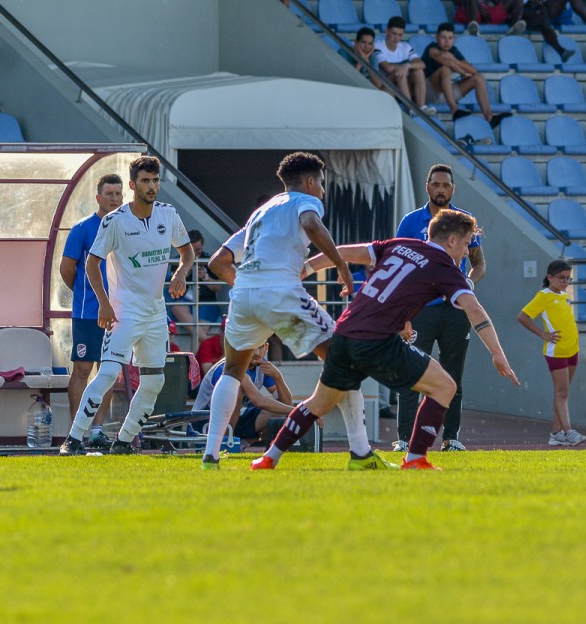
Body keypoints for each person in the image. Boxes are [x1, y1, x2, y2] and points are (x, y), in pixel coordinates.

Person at [252, 209, 520, 470]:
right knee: (444, 387)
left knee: (319, 403)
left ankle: (269, 458)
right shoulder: (446, 268)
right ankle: (415, 459)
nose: (464, 251)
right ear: (451, 240)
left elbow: (345, 252)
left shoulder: (401, 245)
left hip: (343, 334)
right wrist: (497, 353)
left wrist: (308, 267)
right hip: (377, 341)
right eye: (464, 243)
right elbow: (475, 310)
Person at [201, 153, 372, 470]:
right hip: (280, 291)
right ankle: (361, 454)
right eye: (321, 184)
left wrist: (247, 285)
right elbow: (311, 223)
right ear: (310, 182)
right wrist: (341, 265)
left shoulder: (261, 213)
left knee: (232, 372)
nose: (322, 191)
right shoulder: (305, 202)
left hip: (244, 296)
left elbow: (217, 263)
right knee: (343, 360)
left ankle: (210, 456)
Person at [60, 156, 193, 455]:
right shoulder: (115, 221)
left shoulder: (168, 215)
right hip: (124, 312)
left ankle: (123, 441)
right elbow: (92, 265)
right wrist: (105, 305)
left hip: (156, 312)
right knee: (106, 374)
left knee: (154, 380)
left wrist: (181, 272)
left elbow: (186, 253)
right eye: (145, 181)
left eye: (155, 180)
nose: (151, 186)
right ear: (133, 185)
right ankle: (73, 439)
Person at [391, 164, 486, 453]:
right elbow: (399, 262)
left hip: (455, 310)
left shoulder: (464, 221)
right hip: (421, 309)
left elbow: (479, 262)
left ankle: (451, 438)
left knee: (452, 375)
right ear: (427, 186)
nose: (441, 189)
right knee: (411, 372)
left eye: (446, 184)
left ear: (453, 189)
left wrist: (467, 282)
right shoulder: (410, 222)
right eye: (436, 184)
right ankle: (405, 440)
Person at [57, 174, 124, 452]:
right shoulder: (83, 228)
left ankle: (97, 430)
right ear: (98, 197)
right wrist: (87, 294)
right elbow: (66, 269)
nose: (114, 198)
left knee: (107, 370)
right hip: (88, 312)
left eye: (118, 194)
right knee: (83, 368)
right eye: (109, 194)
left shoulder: (126, 227)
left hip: (119, 313)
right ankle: (76, 431)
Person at [517, 259, 586, 446]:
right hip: (556, 351)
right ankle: (568, 431)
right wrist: (543, 334)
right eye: (561, 278)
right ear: (550, 277)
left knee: (562, 393)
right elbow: (522, 317)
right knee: (561, 392)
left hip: (572, 349)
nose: (565, 282)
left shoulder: (563, 295)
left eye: (568, 278)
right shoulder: (544, 295)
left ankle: (556, 434)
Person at [193, 343, 294, 446]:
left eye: (260, 347)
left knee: (278, 412)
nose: (256, 352)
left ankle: (243, 444)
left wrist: (278, 377)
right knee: (237, 390)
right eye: (251, 348)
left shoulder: (263, 366)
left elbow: (287, 403)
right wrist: (296, 411)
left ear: (266, 348)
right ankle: (226, 443)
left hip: (235, 417)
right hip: (205, 419)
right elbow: (258, 400)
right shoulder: (233, 366)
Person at [422, 22, 509, 128]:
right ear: (436, 38)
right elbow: (447, 63)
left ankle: (489, 117)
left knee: (478, 78)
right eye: (443, 38)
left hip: (446, 92)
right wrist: (462, 73)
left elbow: (473, 70)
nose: (447, 42)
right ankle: (454, 110)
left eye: (450, 38)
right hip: (428, 91)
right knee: (445, 69)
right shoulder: (432, 48)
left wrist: (456, 60)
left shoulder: (453, 51)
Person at [374, 16, 428, 110]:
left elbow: (422, 64)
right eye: (394, 34)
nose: (397, 38)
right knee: (398, 72)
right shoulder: (377, 46)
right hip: (387, 88)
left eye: (400, 35)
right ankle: (410, 108)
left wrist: (407, 65)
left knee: (418, 71)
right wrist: (403, 67)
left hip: (406, 87)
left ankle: (421, 107)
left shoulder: (405, 47)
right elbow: (388, 68)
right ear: (387, 31)